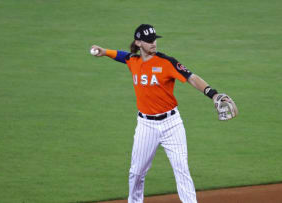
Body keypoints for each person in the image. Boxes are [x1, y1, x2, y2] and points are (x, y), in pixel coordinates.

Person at [91, 24, 230, 203]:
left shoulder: (167, 62)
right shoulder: (133, 60)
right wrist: (105, 51)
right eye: (149, 41)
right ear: (138, 42)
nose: (153, 44)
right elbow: (123, 56)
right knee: (136, 172)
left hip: (172, 124)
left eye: (154, 39)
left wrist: (213, 93)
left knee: (182, 170)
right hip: (146, 126)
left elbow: (191, 77)